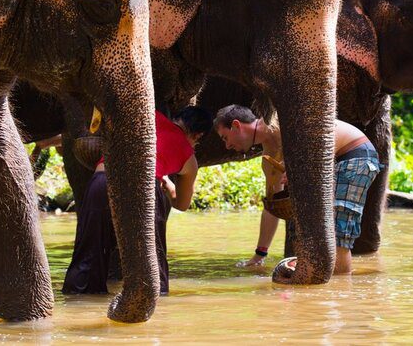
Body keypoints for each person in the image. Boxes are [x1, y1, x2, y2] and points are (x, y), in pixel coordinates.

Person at [62, 106, 213, 294]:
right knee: (151, 262)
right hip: (146, 188)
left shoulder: (149, 114)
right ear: (198, 135)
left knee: (88, 256)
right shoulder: (189, 158)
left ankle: (78, 307)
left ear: (178, 118)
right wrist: (166, 183)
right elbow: (182, 204)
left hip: (103, 180)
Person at [214, 104, 380, 274]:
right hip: (330, 166)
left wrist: (298, 165)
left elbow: (321, 138)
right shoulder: (268, 161)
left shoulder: (280, 119)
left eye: (225, 137)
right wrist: (259, 255)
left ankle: (340, 289)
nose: (227, 146)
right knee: (309, 232)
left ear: (236, 125)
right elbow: (273, 206)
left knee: (337, 234)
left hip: (353, 155)